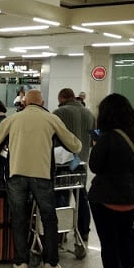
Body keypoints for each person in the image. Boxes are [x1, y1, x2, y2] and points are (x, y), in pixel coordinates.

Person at [0, 89, 81, 268]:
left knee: (19, 217)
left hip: (16, 174)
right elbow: (75, 145)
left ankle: (21, 262)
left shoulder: (13, 119)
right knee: (48, 218)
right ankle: (50, 263)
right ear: (43, 102)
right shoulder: (51, 119)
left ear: (24, 103)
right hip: (42, 175)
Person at [88, 93, 134, 268]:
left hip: (106, 197)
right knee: (125, 240)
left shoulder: (107, 136)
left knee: (109, 244)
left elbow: (95, 166)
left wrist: (97, 145)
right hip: (133, 195)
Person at [52, 88, 96, 241]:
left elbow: (51, 137)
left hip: (63, 162)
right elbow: (94, 139)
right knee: (82, 195)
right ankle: (84, 230)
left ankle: (60, 232)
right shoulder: (89, 114)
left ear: (62, 98)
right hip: (81, 161)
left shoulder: (59, 113)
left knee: (61, 195)